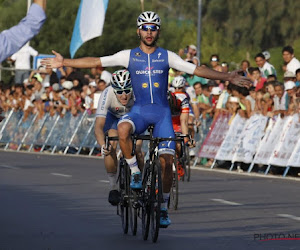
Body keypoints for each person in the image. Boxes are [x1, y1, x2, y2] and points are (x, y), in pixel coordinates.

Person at [42, 11, 251, 227]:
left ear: (158, 31)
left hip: (162, 116)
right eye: (145, 28)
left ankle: (163, 207)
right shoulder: (128, 56)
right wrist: (64, 61)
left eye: (153, 28)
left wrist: (228, 77)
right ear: (138, 31)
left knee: (167, 163)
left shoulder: (167, 56)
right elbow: (96, 60)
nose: (149, 32)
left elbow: (198, 69)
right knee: (122, 130)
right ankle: (134, 172)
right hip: (139, 113)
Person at [94, 69, 138, 206]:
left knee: (138, 148)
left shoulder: (138, 93)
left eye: (127, 91)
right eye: (119, 92)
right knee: (111, 143)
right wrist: (103, 146)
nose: (124, 95)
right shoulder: (107, 93)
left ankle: (139, 179)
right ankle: (113, 186)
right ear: (114, 90)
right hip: (113, 118)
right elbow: (98, 127)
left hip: (133, 117)